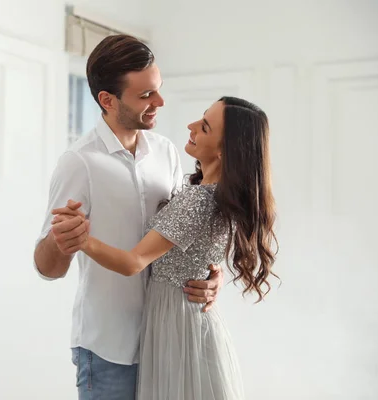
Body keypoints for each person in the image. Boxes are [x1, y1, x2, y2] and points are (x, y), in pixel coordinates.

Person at [33, 35, 224, 399]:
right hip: (108, 351)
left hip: (166, 340)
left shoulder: (166, 152)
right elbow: (48, 268)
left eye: (158, 90)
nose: (160, 103)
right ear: (107, 99)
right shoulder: (79, 163)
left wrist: (215, 277)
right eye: (146, 96)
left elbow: (183, 234)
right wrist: (64, 241)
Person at [52, 96, 279, 399]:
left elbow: (134, 262)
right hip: (180, 321)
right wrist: (214, 276)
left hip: (176, 324)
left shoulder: (197, 200)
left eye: (205, 127)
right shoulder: (212, 196)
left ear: (225, 150)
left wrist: (82, 240)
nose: (191, 126)